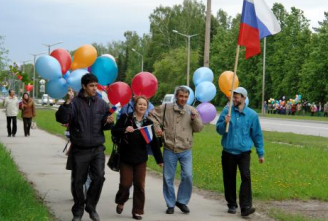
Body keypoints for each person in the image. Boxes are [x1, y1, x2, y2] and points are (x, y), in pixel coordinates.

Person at [56, 73, 114, 221]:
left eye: (96, 85)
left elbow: (106, 125)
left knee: (99, 178)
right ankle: (78, 210)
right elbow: (62, 118)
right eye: (91, 86)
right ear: (84, 86)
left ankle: (91, 206)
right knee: (77, 182)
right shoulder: (75, 102)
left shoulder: (101, 103)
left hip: (97, 148)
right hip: (80, 149)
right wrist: (67, 102)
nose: (95, 88)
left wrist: (109, 121)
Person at [149, 86, 204, 215]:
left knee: (188, 175)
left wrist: (194, 118)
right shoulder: (166, 108)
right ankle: (170, 204)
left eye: (186, 97)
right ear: (176, 96)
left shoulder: (192, 111)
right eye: (181, 96)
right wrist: (157, 127)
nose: (183, 99)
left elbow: (199, 128)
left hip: (185, 149)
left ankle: (182, 201)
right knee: (168, 178)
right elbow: (151, 114)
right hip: (169, 148)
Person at [112, 96, 163, 220]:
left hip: (140, 159)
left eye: (144, 105)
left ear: (147, 107)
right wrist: (124, 129)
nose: (142, 107)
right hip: (126, 157)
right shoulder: (126, 118)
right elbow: (114, 131)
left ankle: (137, 211)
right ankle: (121, 201)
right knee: (125, 184)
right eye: (140, 104)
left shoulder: (148, 123)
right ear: (135, 105)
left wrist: (160, 160)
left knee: (139, 185)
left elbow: (154, 143)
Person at [216, 87, 264, 217]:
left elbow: (257, 135)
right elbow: (219, 130)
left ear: (243, 98)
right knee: (229, 178)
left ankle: (246, 207)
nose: (234, 99)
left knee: (246, 177)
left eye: (236, 97)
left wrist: (260, 152)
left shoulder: (252, 115)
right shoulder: (227, 111)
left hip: (244, 152)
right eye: (233, 97)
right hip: (228, 152)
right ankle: (231, 204)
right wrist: (224, 122)